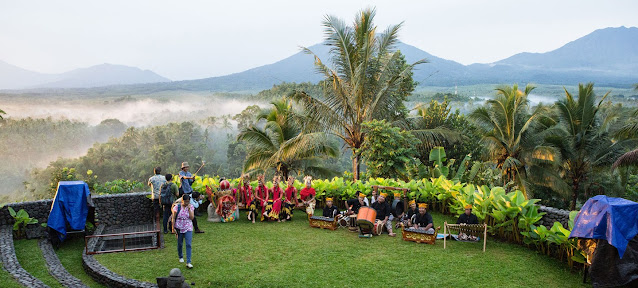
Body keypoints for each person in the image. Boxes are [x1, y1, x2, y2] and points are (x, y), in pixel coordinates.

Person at [178, 162, 203, 233]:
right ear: (183, 168)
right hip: (183, 191)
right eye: (186, 167)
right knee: (185, 207)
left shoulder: (189, 173)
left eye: (187, 167)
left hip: (189, 190)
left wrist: (193, 180)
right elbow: (183, 178)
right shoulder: (181, 173)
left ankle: (194, 213)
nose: (187, 168)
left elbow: (190, 183)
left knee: (190, 204)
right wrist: (190, 177)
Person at [172, 194, 195, 269]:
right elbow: (173, 218)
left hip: (188, 227)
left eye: (188, 201)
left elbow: (192, 218)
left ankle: (188, 261)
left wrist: (189, 209)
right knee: (180, 243)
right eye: (185, 201)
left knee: (188, 244)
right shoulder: (177, 207)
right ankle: (180, 256)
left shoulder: (191, 207)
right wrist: (173, 228)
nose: (187, 203)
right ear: (182, 200)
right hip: (179, 227)